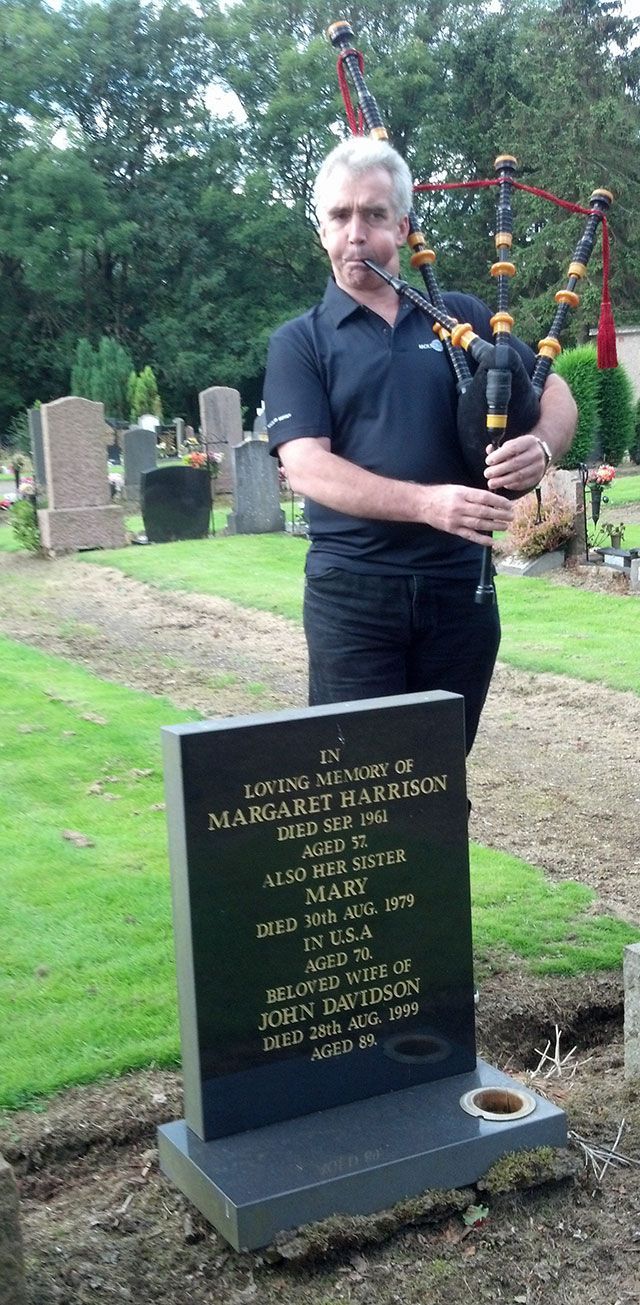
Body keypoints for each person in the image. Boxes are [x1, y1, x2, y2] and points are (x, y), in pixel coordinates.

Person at [264, 137, 577, 752]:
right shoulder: (300, 342)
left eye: (374, 214)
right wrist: (429, 505)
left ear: (402, 225)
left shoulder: (461, 316)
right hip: (353, 595)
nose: (356, 232)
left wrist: (541, 447)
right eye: (340, 215)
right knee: (361, 787)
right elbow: (306, 466)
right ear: (322, 230)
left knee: (437, 787)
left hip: (459, 592)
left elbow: (554, 385)